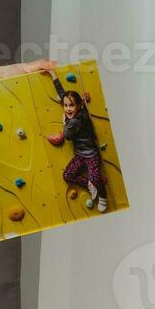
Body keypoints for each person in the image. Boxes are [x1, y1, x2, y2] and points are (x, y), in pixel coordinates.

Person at [44, 68, 108, 212]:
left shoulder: (76, 120)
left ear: (79, 106)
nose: (67, 109)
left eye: (71, 105)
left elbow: (67, 136)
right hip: (79, 155)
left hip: (91, 155)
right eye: (65, 105)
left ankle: (103, 197)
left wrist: (64, 122)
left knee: (97, 178)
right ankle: (89, 185)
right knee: (67, 175)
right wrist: (53, 74)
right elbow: (63, 94)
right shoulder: (76, 111)